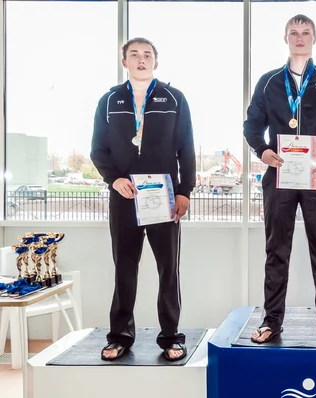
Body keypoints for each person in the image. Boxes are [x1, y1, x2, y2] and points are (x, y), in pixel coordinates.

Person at [243, 14, 316, 344]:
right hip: (279, 176)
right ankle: (271, 322)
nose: (300, 37)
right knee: (277, 252)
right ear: (286, 39)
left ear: (314, 38)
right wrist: (263, 151)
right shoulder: (268, 82)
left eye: (306, 32)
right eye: (294, 32)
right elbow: (251, 126)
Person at [91, 37, 196, 361]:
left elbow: (187, 149)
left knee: (169, 270)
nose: (140, 59)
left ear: (156, 61)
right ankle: (120, 336)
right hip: (125, 197)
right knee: (124, 269)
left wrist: (184, 191)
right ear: (124, 61)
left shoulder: (174, 98)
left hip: (162, 198)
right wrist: (115, 179)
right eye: (134, 54)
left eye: (147, 55)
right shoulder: (110, 100)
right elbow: (98, 149)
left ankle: (171, 338)